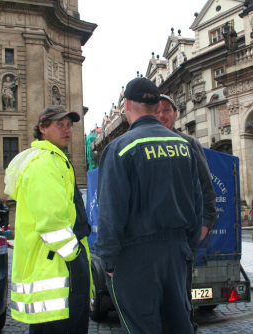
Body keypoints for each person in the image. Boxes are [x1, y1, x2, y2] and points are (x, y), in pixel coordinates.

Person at [95, 78, 203, 334]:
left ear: (128, 105)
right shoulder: (184, 146)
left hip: (136, 256)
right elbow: (197, 201)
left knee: (141, 327)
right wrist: (187, 246)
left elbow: (111, 211)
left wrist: (108, 262)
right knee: (179, 325)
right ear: (156, 107)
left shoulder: (120, 148)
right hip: (176, 252)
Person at [4, 105, 92, 334]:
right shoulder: (45, 164)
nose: (67, 130)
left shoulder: (54, 160)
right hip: (58, 266)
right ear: (42, 128)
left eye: (70, 125)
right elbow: (52, 222)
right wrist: (76, 256)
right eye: (59, 124)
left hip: (56, 266)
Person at [157, 94, 217, 331]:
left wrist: (200, 230)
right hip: (150, 241)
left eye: (167, 110)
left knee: (180, 302)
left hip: (181, 240)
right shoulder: (143, 143)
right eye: (157, 110)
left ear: (175, 114)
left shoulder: (189, 144)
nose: (162, 115)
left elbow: (206, 191)